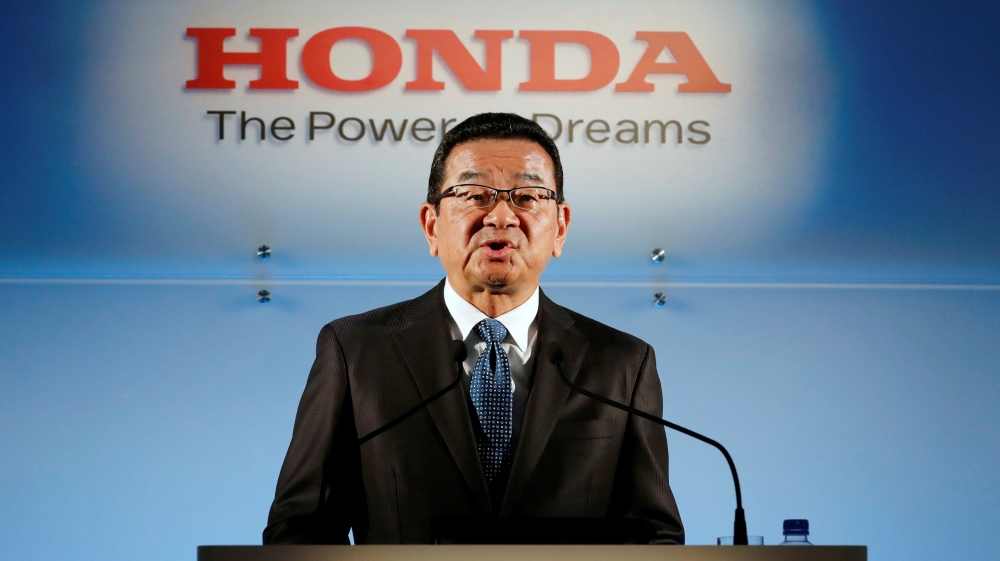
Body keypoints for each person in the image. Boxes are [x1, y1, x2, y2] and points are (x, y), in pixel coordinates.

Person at [263, 113, 684, 544]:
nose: (500, 216)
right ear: (431, 225)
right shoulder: (355, 351)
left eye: (527, 196)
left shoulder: (622, 363)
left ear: (559, 227)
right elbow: (301, 529)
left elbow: (654, 535)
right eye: (473, 195)